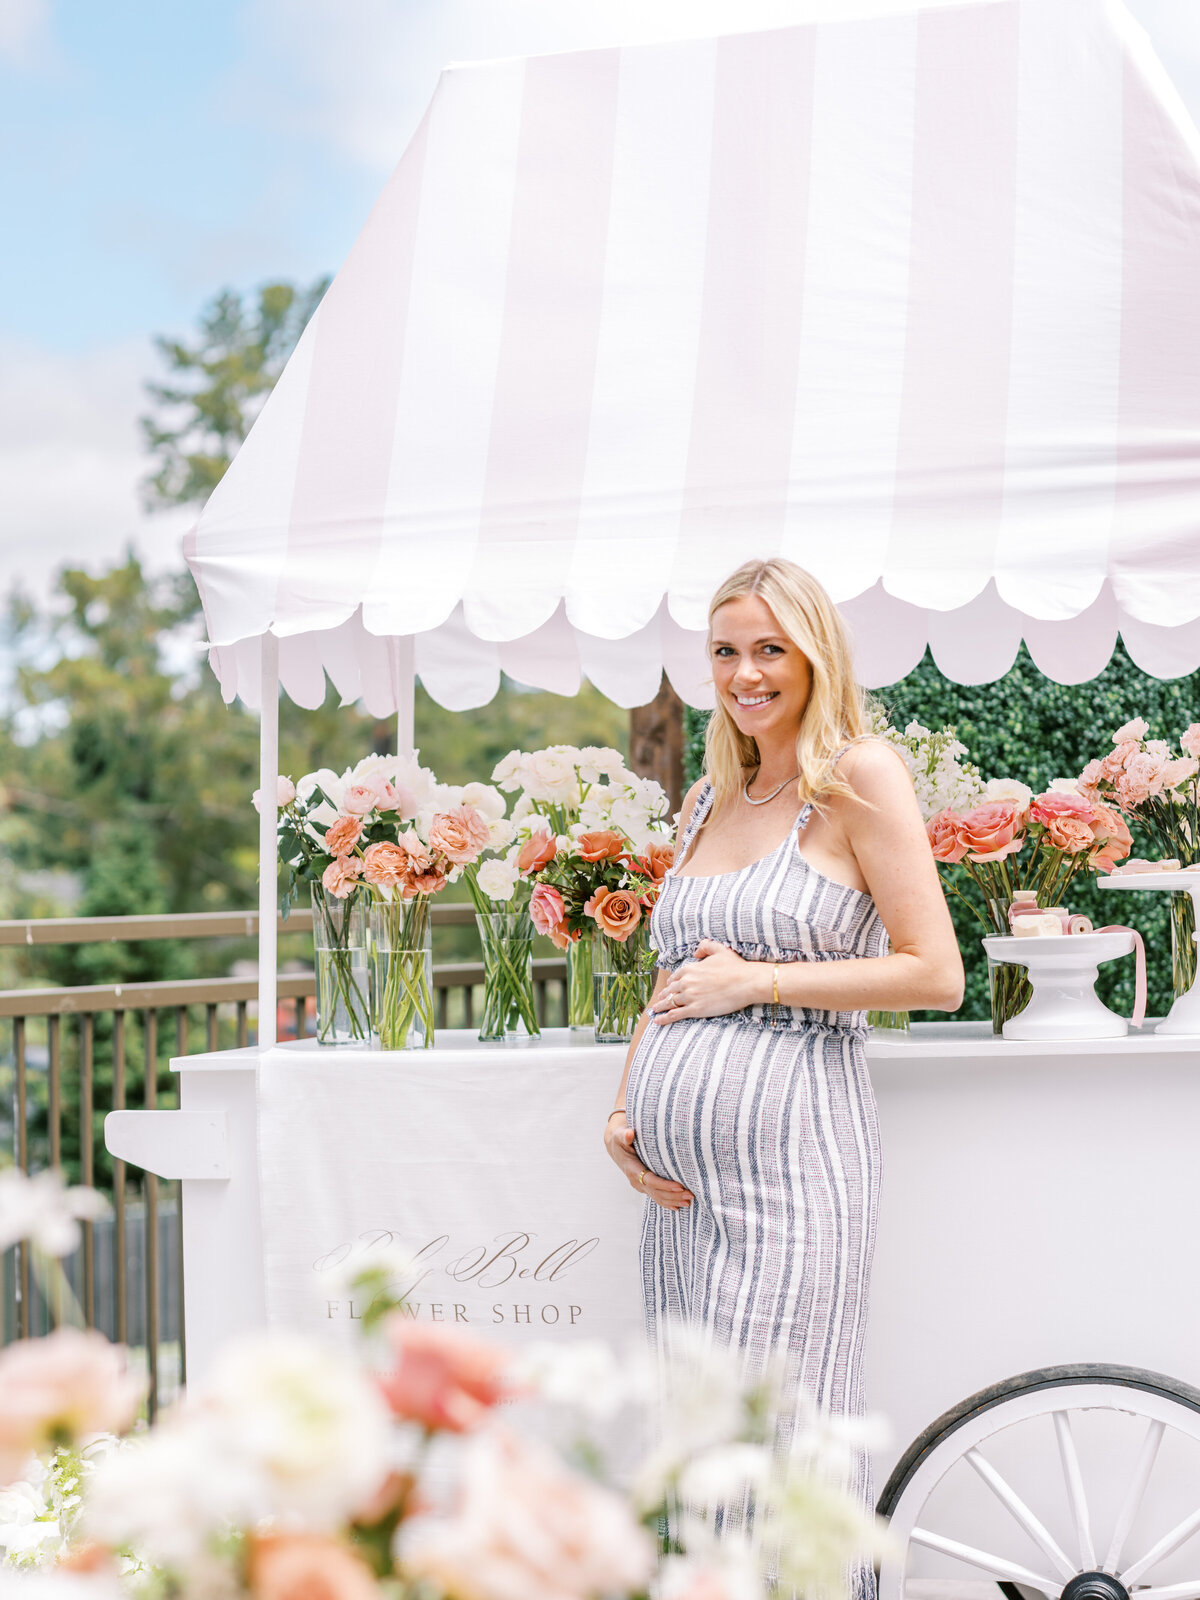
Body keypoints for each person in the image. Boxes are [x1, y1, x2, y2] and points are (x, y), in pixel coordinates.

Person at [603, 557, 963, 1564]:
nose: (746, 673)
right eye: (725, 651)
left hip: (793, 1168)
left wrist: (756, 980)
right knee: (700, 1438)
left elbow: (935, 973)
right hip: (677, 1191)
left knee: (781, 1435)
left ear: (815, 656)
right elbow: (675, 973)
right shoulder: (713, 797)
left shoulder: (859, 777)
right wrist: (625, 1111)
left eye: (771, 649)